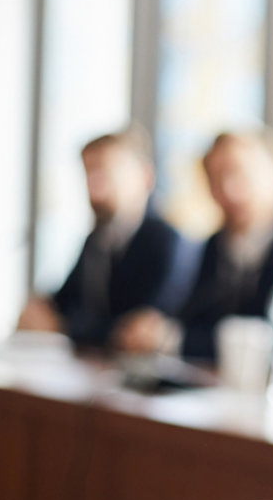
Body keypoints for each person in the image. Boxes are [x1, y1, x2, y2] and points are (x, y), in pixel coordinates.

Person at [114, 127, 273, 360]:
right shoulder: (215, 246)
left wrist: (173, 339)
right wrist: (157, 329)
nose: (229, 190)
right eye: (215, 178)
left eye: (241, 174)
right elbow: (190, 318)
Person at [18, 125, 194, 347]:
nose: (95, 189)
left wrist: (62, 327)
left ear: (145, 176)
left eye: (105, 174)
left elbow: (136, 328)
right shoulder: (97, 240)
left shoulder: (168, 242)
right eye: (88, 174)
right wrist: (40, 311)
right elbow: (65, 300)